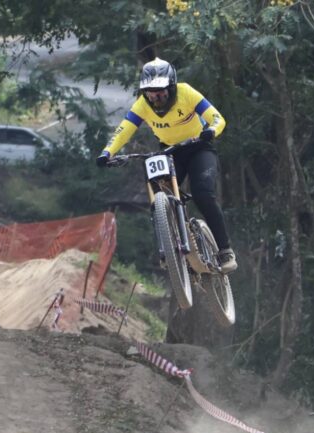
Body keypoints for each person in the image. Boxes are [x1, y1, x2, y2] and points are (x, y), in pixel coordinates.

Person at [96, 57, 237, 273]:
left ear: (171, 87)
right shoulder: (143, 104)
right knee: (158, 196)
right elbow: (124, 130)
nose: (155, 97)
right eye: (150, 92)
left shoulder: (186, 92)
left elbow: (217, 118)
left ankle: (225, 250)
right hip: (170, 152)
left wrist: (211, 130)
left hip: (198, 147)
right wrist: (107, 152)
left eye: (160, 91)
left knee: (203, 194)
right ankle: (171, 247)